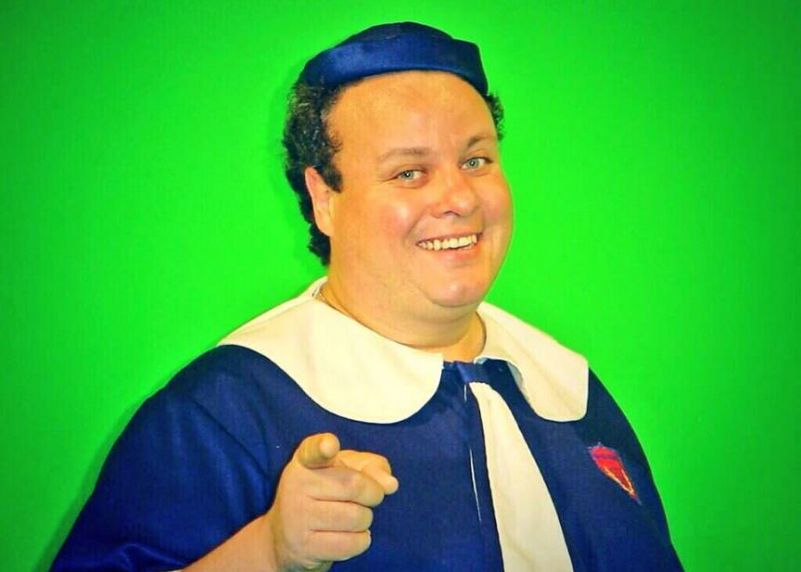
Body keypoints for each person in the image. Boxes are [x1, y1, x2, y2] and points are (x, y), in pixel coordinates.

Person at [50, 22, 683, 572]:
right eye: (409, 172)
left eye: (476, 161)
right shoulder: (222, 412)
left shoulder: (569, 389)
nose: (459, 198)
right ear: (324, 199)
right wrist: (267, 552)